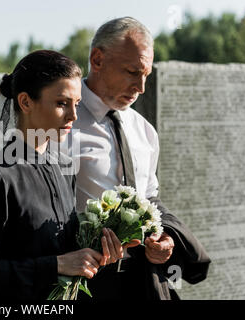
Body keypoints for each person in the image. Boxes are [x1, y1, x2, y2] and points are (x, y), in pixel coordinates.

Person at [0, 50, 140, 301]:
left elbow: (63, 251)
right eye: (62, 103)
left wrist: (99, 248)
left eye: (77, 104)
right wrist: (55, 266)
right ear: (26, 102)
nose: (74, 116)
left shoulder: (64, 166)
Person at [66, 17, 211, 300]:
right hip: (85, 285)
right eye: (133, 72)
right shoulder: (61, 123)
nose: (141, 86)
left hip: (141, 283)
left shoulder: (144, 130)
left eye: (146, 74)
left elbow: (150, 199)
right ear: (97, 59)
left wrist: (165, 238)